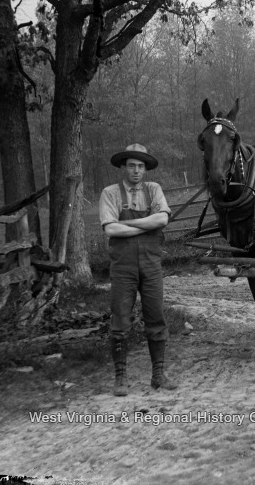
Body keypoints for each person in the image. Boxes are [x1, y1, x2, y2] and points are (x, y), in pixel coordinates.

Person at [99, 143, 177, 396]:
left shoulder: (154, 190)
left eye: (141, 166)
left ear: (146, 169)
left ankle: (158, 375)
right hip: (123, 267)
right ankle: (120, 378)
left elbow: (163, 219)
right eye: (131, 165)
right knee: (121, 319)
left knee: (156, 316)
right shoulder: (110, 193)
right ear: (123, 167)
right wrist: (147, 225)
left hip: (151, 264)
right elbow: (110, 229)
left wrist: (128, 225)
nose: (136, 170)